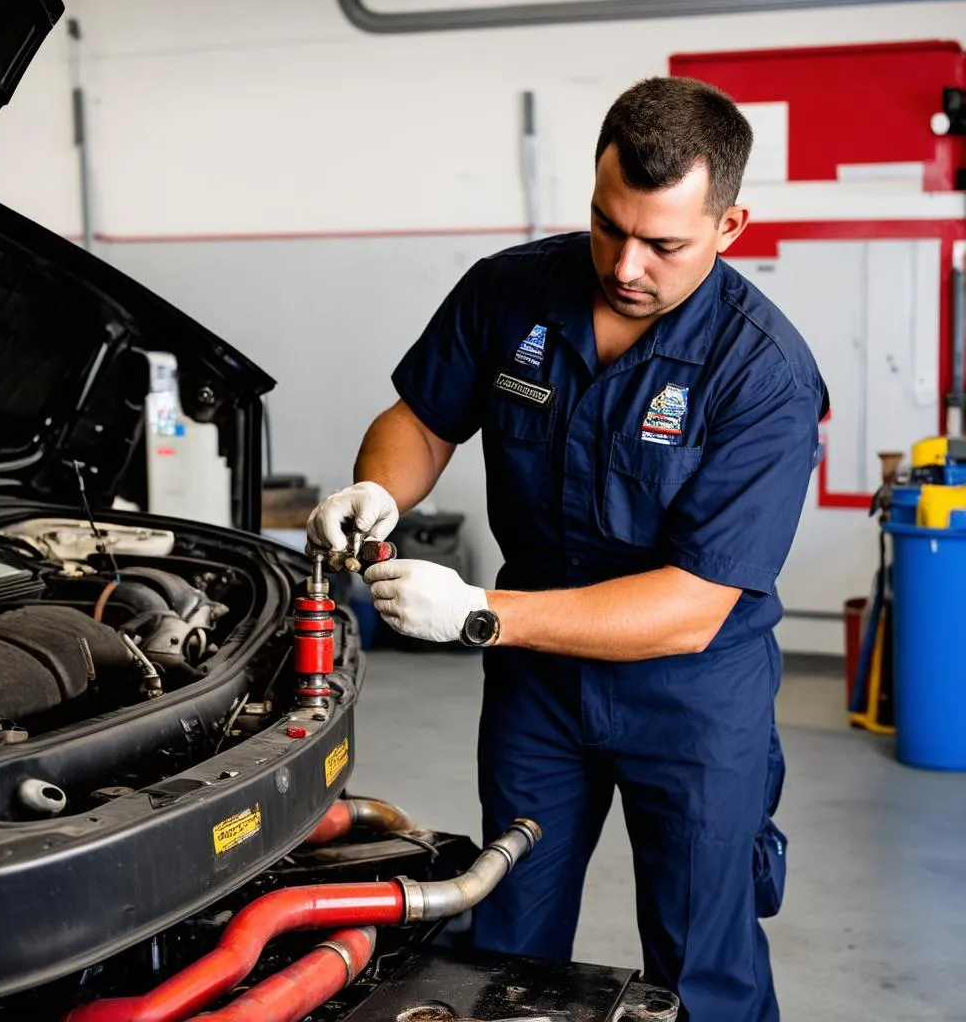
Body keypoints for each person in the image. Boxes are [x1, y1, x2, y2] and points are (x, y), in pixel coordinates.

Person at [305, 76, 829, 1022]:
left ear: (731, 225)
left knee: (700, 960)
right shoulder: (512, 292)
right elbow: (421, 421)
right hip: (537, 683)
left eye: (662, 243)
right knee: (505, 936)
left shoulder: (765, 375)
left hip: (693, 698)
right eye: (605, 224)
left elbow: (692, 604)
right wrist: (381, 487)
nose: (625, 263)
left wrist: (478, 613)